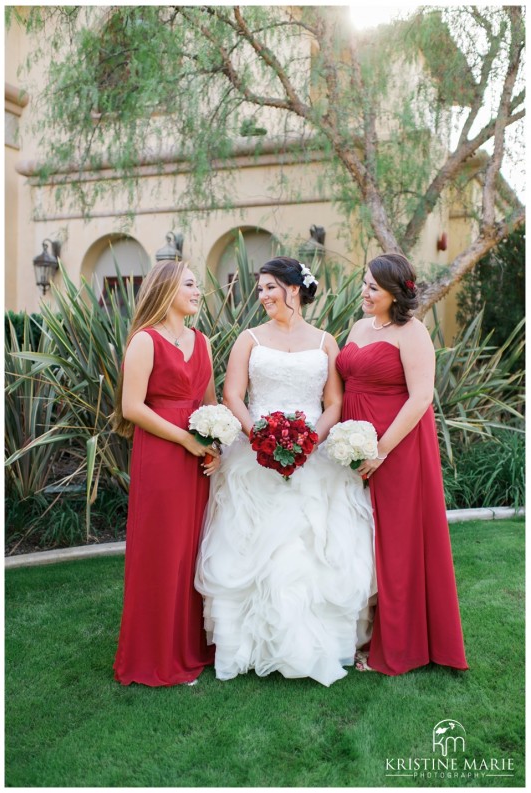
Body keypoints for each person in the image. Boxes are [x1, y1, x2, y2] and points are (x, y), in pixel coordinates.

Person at [195, 257, 375, 687]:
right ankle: (248, 646)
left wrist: (309, 438)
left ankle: (319, 646)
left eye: (271, 288)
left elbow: (334, 401)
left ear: (295, 289)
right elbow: (233, 394)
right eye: (260, 290)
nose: (264, 297)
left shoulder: (325, 342)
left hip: (314, 452)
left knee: (312, 545)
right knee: (252, 544)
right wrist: (258, 433)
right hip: (255, 453)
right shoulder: (249, 339)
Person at [336, 252, 468, 676]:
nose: (365, 292)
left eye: (373, 287)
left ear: (395, 293)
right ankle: (358, 629)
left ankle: (399, 644)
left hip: (396, 446)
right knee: (359, 540)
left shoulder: (412, 332)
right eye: (364, 283)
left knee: (396, 543)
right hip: (351, 446)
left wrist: (381, 449)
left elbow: (420, 398)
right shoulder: (358, 327)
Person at [112, 259, 219, 686]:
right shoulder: (145, 341)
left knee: (194, 548)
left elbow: (210, 402)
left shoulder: (203, 341)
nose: (198, 292)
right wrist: (185, 439)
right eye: (191, 284)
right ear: (167, 289)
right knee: (163, 550)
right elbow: (132, 407)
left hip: (197, 456)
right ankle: (154, 654)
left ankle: (190, 647)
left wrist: (214, 444)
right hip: (162, 455)